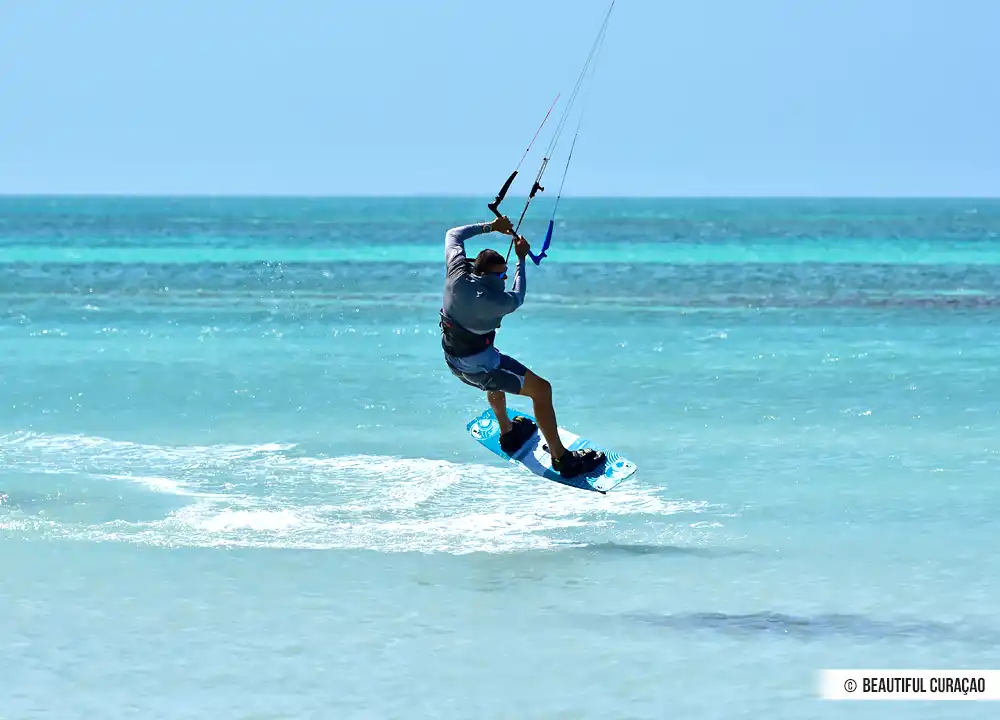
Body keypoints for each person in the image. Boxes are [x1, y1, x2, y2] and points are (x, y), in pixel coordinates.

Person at [439, 215, 605, 479]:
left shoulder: (457, 275)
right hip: (480, 368)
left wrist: (490, 227)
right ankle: (561, 458)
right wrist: (521, 259)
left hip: (454, 361)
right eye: (502, 275)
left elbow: (453, 234)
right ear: (495, 277)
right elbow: (518, 296)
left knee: (496, 368)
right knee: (542, 390)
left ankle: (507, 432)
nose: (505, 278)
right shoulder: (498, 301)